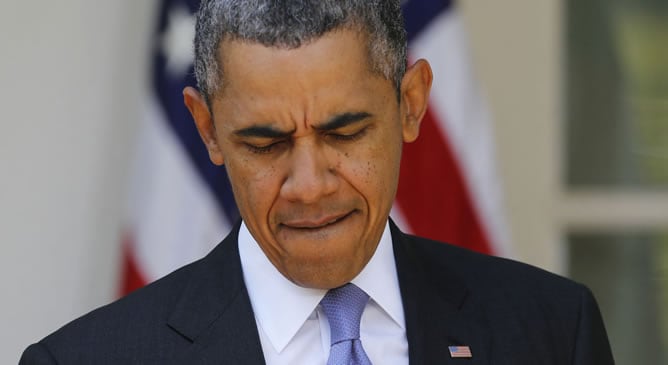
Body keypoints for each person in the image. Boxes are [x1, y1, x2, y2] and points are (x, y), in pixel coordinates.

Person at [20, 1, 614, 364]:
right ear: (207, 130)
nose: (309, 185)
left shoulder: (552, 333)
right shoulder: (84, 361)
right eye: (265, 143)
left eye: (346, 131)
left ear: (411, 104)